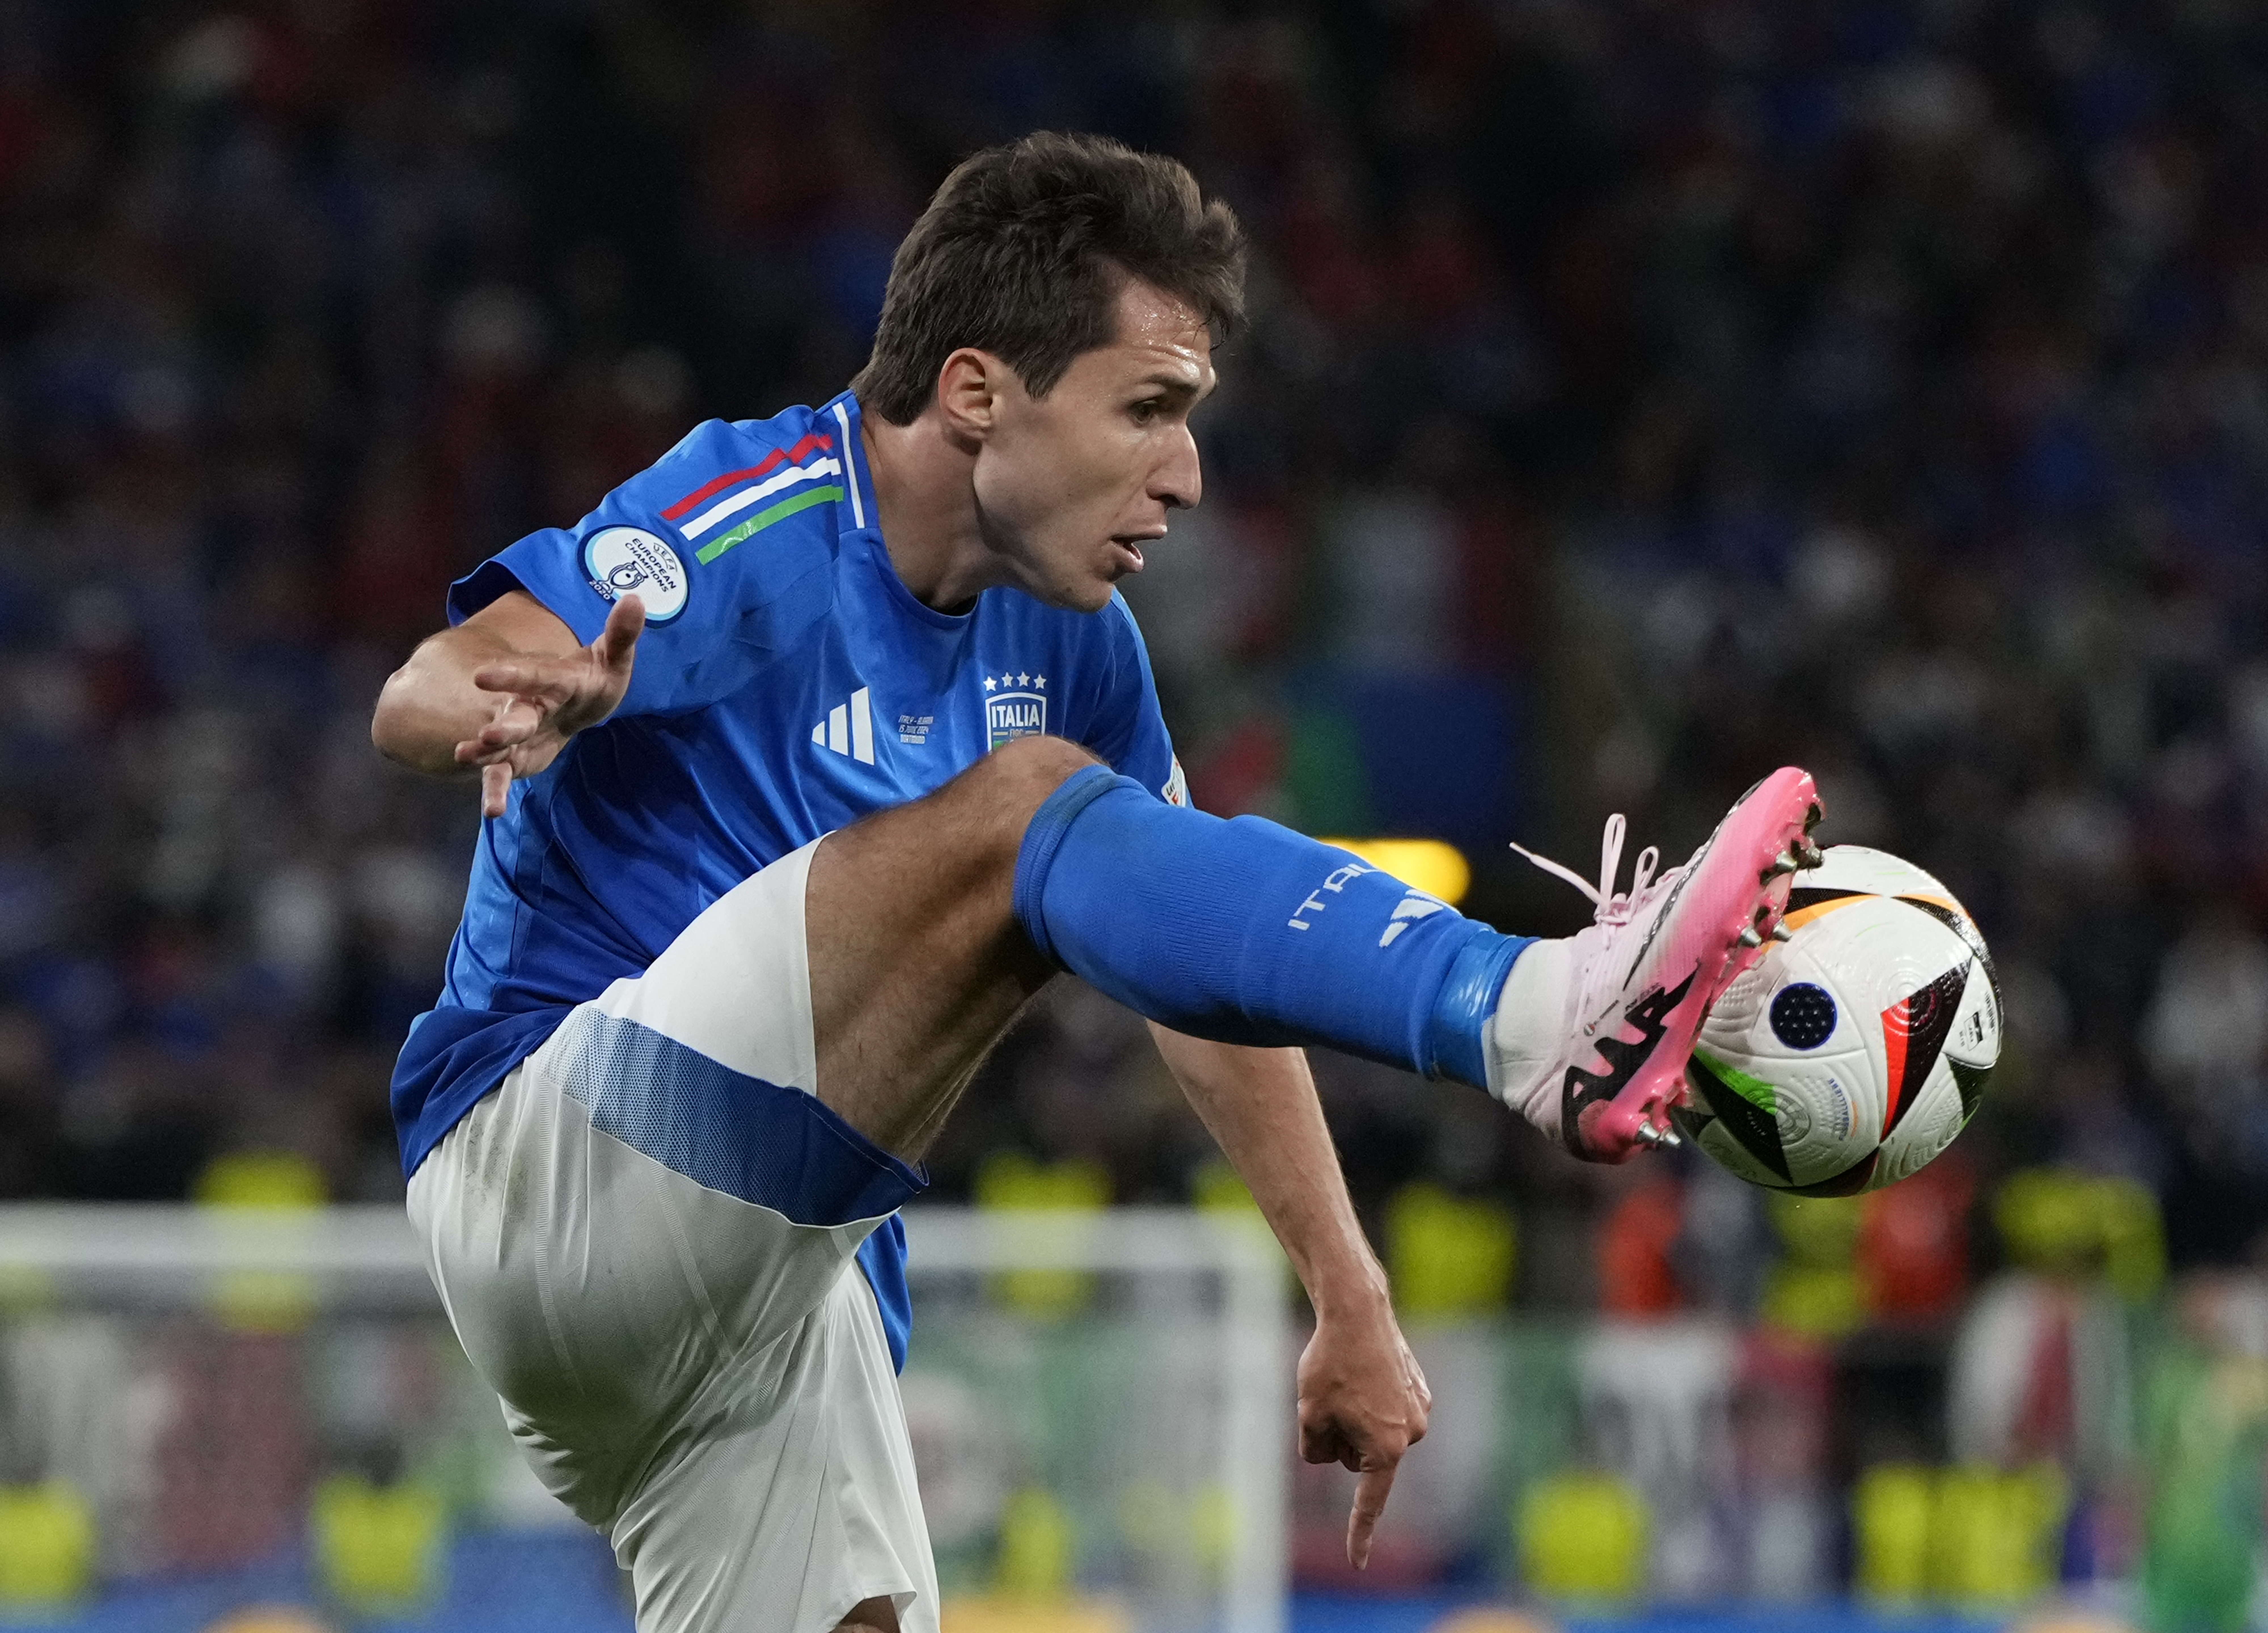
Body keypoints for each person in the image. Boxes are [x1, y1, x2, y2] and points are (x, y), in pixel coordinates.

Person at [372, 130, 1820, 1633]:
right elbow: (426, 683)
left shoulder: (1072, 645)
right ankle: (1534, 1006)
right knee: (1027, 813)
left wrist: (1345, 1290)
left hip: (774, 1307)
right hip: (549, 1164)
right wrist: (513, 695)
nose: (1186, 477)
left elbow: (1196, 973)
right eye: (1149, 410)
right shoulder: (761, 513)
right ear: (979, 392)